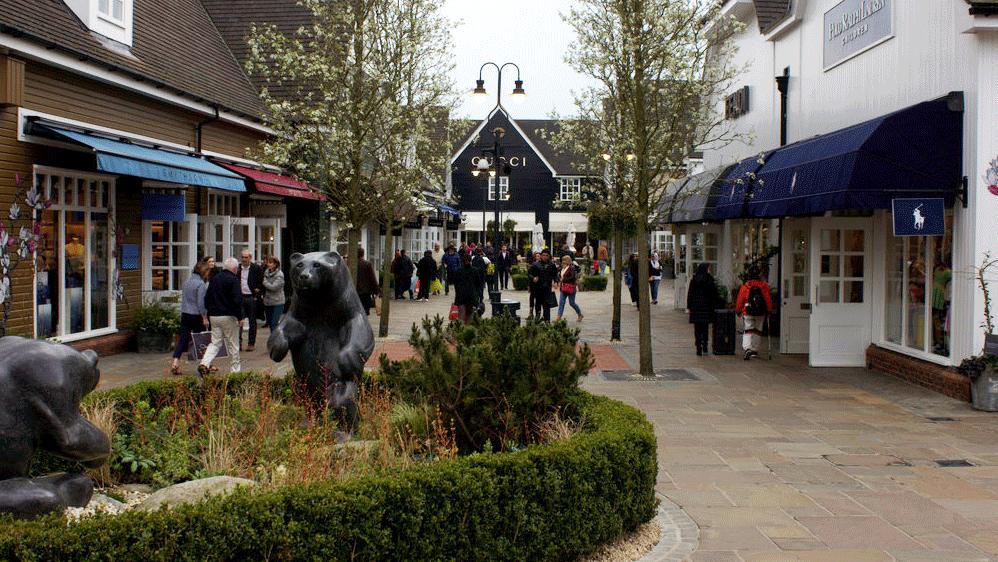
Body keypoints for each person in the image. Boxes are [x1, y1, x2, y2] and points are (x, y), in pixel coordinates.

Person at [198, 257, 244, 376]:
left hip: (214, 316)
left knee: (215, 342)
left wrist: (208, 314)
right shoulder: (233, 280)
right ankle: (235, 371)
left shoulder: (214, 279)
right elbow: (237, 300)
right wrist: (240, 317)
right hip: (228, 316)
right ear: (234, 268)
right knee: (233, 344)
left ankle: (205, 363)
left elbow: (207, 298)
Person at [170, 257, 212, 376]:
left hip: (185, 314)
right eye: (208, 272)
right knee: (201, 340)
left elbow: (184, 299)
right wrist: (204, 317)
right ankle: (204, 364)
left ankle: (175, 362)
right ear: (203, 272)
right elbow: (200, 303)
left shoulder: (186, 282)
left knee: (183, 339)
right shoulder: (200, 284)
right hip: (196, 315)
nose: (208, 274)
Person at [735, 266, 773, 360]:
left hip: (748, 311)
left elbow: (740, 300)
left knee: (748, 330)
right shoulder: (764, 286)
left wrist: (738, 310)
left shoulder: (746, 286)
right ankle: (754, 350)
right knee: (758, 331)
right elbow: (768, 299)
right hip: (760, 312)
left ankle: (747, 348)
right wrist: (769, 310)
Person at [686, 263, 718, 356]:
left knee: (697, 329)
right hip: (706, 307)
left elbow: (690, 294)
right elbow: (714, 294)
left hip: (696, 307)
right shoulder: (710, 279)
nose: (709, 270)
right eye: (708, 268)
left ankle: (698, 348)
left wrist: (689, 306)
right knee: (705, 328)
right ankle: (705, 346)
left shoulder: (694, 280)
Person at [238, 249, 264, 352]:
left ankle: (251, 343)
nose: (244, 259)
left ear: (250, 258)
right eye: (242, 257)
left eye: (246, 257)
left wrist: (257, 294)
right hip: (240, 297)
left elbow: (261, 282)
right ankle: (238, 343)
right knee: (239, 321)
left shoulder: (256, 268)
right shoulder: (238, 268)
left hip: (251, 297)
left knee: (252, 321)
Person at [528, 249, 558, 322]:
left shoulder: (552, 265)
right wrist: (533, 278)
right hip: (537, 289)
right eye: (543, 255)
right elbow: (529, 274)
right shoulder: (535, 265)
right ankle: (537, 320)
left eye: (546, 255)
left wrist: (556, 281)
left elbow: (555, 275)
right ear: (541, 256)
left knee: (547, 306)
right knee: (538, 305)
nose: (545, 257)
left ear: (549, 256)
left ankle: (547, 321)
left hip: (547, 288)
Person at [451, 253, 482, 323]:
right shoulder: (475, 270)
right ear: (471, 261)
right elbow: (478, 284)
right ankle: (468, 330)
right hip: (471, 296)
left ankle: (461, 330)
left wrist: (458, 292)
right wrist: (478, 295)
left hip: (461, 296)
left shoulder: (458, 271)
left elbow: (455, 284)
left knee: (461, 316)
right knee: (470, 315)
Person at [556, 255, 583, 322]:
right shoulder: (562, 268)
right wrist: (559, 278)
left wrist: (563, 279)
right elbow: (560, 276)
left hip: (570, 288)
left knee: (572, 303)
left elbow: (572, 277)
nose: (563, 261)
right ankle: (558, 317)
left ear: (568, 260)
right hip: (563, 288)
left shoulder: (571, 268)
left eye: (564, 260)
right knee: (561, 303)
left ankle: (579, 314)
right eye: (562, 260)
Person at [262, 256, 285, 331]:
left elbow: (274, 287)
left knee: (274, 323)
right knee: (270, 323)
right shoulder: (266, 272)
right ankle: (274, 339)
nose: (268, 264)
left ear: (275, 264)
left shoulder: (279, 275)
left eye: (270, 262)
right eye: (268, 262)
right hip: (268, 302)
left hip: (277, 302)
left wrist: (264, 282)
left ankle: (275, 341)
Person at [355, 247, 380, 316]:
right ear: (363, 254)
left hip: (355, 291)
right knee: (365, 310)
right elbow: (372, 278)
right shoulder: (367, 264)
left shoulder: (352, 265)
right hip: (366, 291)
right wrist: (377, 291)